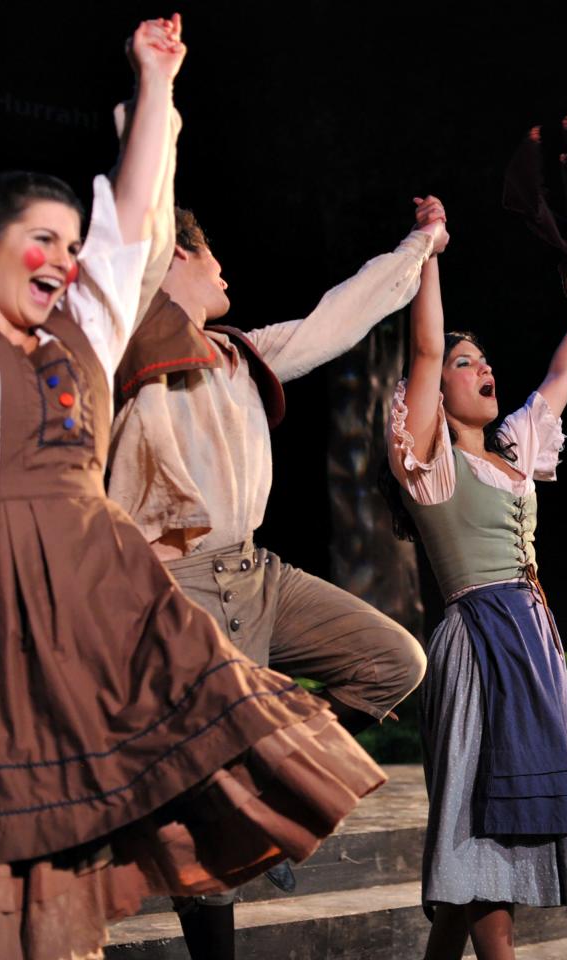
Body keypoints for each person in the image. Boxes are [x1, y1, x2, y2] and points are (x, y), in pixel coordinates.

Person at [0, 7, 384, 957]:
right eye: (38, 239)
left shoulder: (83, 339)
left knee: (165, 785)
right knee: (12, 855)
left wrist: (157, 82)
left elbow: (131, 222)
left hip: (105, 605)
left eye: (67, 244)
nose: (62, 258)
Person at [107, 176, 436, 957]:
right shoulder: (123, 351)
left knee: (395, 661)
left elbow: (343, 315)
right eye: (209, 254)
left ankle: (274, 780)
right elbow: (137, 238)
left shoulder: (241, 355)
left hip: (260, 574)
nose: (226, 270)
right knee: (202, 809)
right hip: (177, 586)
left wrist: (420, 248)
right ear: (176, 254)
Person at [383, 198, 567, 960]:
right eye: (463, 363)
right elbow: (419, 352)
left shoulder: (515, 454)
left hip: (534, 649)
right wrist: (431, 250)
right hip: (479, 645)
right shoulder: (431, 464)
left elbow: (566, 370)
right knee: (483, 844)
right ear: (436, 394)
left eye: (482, 360)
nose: (481, 370)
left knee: (480, 872)